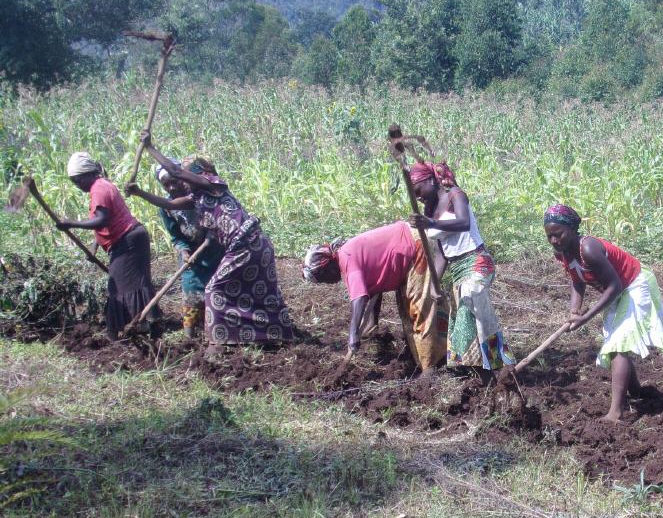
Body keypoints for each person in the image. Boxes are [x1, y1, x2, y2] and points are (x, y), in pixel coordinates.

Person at [126, 135, 296, 351]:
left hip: (245, 244)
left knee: (213, 290)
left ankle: (217, 344)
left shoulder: (212, 184)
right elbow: (167, 203)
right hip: (253, 245)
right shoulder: (195, 198)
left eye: (184, 177)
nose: (180, 183)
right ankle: (273, 334)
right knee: (256, 290)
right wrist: (139, 193)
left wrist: (150, 148)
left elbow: (177, 171)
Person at [543, 204, 663, 422]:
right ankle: (637, 392)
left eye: (558, 235)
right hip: (617, 289)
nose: (554, 241)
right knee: (615, 340)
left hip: (633, 284)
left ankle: (616, 412)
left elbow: (614, 285)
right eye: (549, 237)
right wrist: (574, 310)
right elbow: (577, 281)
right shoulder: (563, 253)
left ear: (573, 229)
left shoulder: (588, 249)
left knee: (619, 344)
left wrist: (586, 317)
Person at [407, 161, 514, 373]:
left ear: (430, 180)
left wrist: (430, 224)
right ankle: (475, 370)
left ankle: (501, 365)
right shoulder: (430, 209)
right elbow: (441, 253)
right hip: (458, 270)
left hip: (477, 262)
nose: (418, 197)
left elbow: (464, 222)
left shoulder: (455, 194)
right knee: (461, 319)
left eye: (418, 190)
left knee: (472, 310)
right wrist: (433, 284)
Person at [302, 221, 448, 371]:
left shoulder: (348, 262)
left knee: (420, 309)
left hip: (413, 245)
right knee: (407, 312)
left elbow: (360, 298)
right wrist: (371, 324)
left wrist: (352, 335)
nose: (328, 283)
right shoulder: (347, 255)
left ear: (327, 267)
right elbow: (374, 291)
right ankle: (426, 359)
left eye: (324, 279)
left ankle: (431, 366)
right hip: (407, 246)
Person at [57, 152, 157, 340]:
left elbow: (101, 221)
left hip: (128, 241)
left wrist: (70, 224)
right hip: (131, 238)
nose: (78, 186)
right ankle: (142, 324)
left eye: (78, 181)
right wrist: (94, 247)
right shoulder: (101, 185)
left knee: (118, 287)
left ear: (87, 174)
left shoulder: (99, 189)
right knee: (130, 284)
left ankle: (129, 329)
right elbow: (105, 221)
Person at [152, 163, 223, 339]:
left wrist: (210, 236)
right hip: (192, 255)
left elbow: (220, 218)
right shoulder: (166, 207)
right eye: (166, 185)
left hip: (216, 251)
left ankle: (218, 331)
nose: (171, 187)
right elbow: (176, 236)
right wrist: (183, 251)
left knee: (218, 291)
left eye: (174, 181)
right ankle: (189, 338)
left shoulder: (200, 195)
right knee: (189, 288)